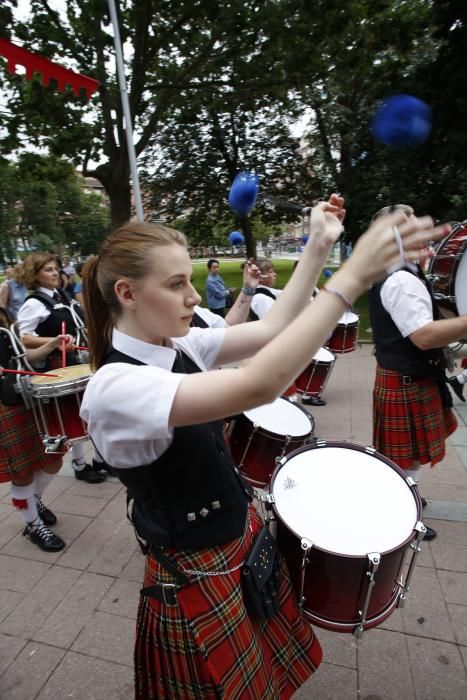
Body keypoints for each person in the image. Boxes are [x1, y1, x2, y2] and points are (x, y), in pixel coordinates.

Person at [79, 203, 443, 699]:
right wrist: (350, 277)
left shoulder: (181, 346)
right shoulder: (114, 387)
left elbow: (273, 330)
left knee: (262, 678)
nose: (191, 296)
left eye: (189, 281)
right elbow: (260, 384)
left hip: (238, 542)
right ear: (127, 293)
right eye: (176, 284)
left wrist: (318, 243)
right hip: (197, 572)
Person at [368, 204, 467, 541]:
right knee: (405, 458)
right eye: (408, 226)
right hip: (406, 378)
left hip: (403, 375)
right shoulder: (399, 279)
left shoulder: (402, 271)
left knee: (403, 456)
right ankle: (402, 513)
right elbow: (423, 336)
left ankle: (403, 496)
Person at [16, 252, 106, 484]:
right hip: (59, 364)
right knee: (72, 415)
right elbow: (24, 338)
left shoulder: (60, 295)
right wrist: (55, 340)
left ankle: (99, 459)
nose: (55, 272)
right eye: (47, 269)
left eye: (55, 268)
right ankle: (79, 464)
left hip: (76, 359)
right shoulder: (34, 303)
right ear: (34, 275)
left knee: (88, 410)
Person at [0, 323, 69, 552]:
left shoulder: (3, 327)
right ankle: (33, 525)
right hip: (3, 410)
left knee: (54, 459)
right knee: (22, 474)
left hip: (24, 400)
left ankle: (33, 499)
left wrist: (51, 344)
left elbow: (22, 356)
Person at [250, 258, 329, 406]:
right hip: (270, 352)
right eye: (271, 271)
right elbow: (274, 327)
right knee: (283, 396)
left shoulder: (269, 292)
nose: (275, 274)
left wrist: (306, 276)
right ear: (261, 276)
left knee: (286, 393)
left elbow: (290, 294)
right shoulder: (261, 298)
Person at [192, 258, 260, 329]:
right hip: (216, 305)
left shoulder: (216, 276)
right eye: (214, 267)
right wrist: (229, 291)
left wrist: (228, 289)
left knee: (223, 319)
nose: (216, 269)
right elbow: (219, 294)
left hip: (220, 304)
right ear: (209, 269)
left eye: (217, 267)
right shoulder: (210, 281)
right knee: (221, 322)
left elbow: (222, 287)